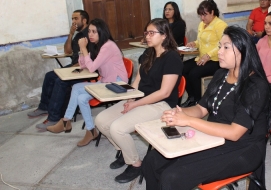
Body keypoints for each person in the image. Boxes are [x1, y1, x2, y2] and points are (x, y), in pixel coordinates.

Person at [142, 26, 271, 190]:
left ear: (243, 51)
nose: (219, 52)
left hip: (243, 148)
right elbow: (201, 109)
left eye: (226, 47)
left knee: (172, 177)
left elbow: (234, 133)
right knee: (152, 160)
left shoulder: (256, 86)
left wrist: (189, 121)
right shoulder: (221, 74)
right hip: (212, 137)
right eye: (220, 46)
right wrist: (180, 113)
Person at [95, 18, 183, 184]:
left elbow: (164, 93)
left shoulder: (172, 58)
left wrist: (135, 104)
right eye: (146, 33)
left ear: (164, 35)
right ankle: (124, 150)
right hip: (141, 99)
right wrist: (130, 100)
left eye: (152, 33)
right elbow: (137, 82)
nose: (147, 37)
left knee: (118, 128)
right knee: (101, 120)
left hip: (160, 105)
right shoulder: (148, 54)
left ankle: (136, 164)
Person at [47, 19, 128, 147]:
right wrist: (81, 50)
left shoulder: (108, 46)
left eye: (94, 32)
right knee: (80, 96)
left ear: (102, 32)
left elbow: (91, 68)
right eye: (89, 31)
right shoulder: (98, 45)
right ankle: (90, 130)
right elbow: (84, 64)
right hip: (105, 81)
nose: (90, 34)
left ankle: (66, 121)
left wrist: (84, 49)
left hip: (117, 83)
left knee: (77, 89)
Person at [27, 10, 90, 130]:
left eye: (76, 18)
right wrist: (71, 34)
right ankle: (44, 107)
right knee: (50, 75)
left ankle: (54, 118)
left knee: (60, 81)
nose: (73, 22)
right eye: (72, 19)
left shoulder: (89, 35)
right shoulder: (78, 35)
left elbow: (89, 58)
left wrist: (72, 68)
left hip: (84, 68)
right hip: (75, 66)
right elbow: (67, 52)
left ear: (84, 20)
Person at [181, 0, 228, 107]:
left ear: (212, 12)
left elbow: (223, 44)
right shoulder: (202, 24)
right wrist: (194, 43)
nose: (202, 18)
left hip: (216, 60)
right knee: (181, 68)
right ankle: (191, 97)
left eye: (205, 15)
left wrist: (209, 55)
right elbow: (202, 41)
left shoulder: (220, 25)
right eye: (200, 15)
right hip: (202, 58)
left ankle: (198, 101)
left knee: (194, 73)